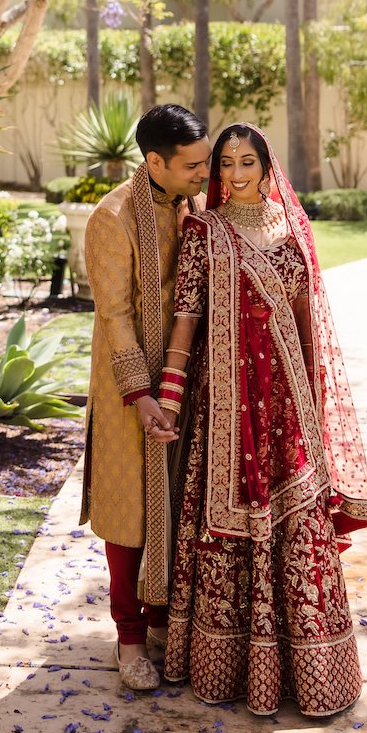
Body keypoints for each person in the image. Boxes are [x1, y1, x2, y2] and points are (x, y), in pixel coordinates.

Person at [160, 122, 367, 717]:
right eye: (225, 164)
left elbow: (309, 322)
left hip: (288, 406)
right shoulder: (203, 231)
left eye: (247, 163)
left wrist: (314, 404)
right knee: (229, 525)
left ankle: (312, 671)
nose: (234, 174)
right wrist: (172, 392)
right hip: (227, 407)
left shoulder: (291, 230)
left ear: (266, 167)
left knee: (297, 524)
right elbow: (186, 316)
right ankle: (228, 667)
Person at [80, 103, 212, 691]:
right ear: (154, 162)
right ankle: (129, 638)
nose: (205, 174)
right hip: (126, 384)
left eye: (206, 161)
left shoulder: (197, 207)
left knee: (183, 498)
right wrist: (140, 393)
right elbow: (114, 315)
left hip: (187, 376)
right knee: (129, 508)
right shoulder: (112, 218)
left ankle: (164, 621)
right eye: (193, 165)